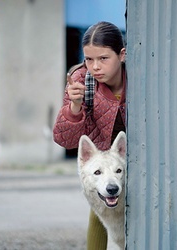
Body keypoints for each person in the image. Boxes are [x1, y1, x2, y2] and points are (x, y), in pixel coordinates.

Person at [53, 21, 126, 250]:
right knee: (103, 203)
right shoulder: (81, 81)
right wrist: (74, 107)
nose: (95, 67)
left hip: (129, 153)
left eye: (103, 58)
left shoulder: (140, 78)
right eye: (89, 59)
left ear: (122, 55)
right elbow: (65, 140)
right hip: (102, 155)